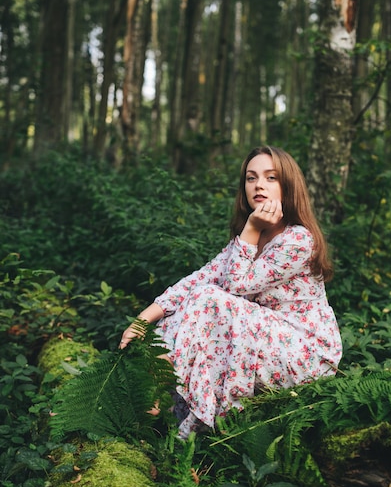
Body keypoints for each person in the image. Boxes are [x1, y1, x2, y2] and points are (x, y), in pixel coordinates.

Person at [119, 146, 343, 438]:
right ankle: (154, 393)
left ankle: (157, 390)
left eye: (270, 178)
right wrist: (141, 321)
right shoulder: (252, 237)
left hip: (306, 350)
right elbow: (200, 279)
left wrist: (250, 227)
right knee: (196, 298)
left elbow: (237, 286)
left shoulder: (298, 239)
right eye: (251, 178)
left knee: (209, 300)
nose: (258, 185)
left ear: (288, 186)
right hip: (266, 338)